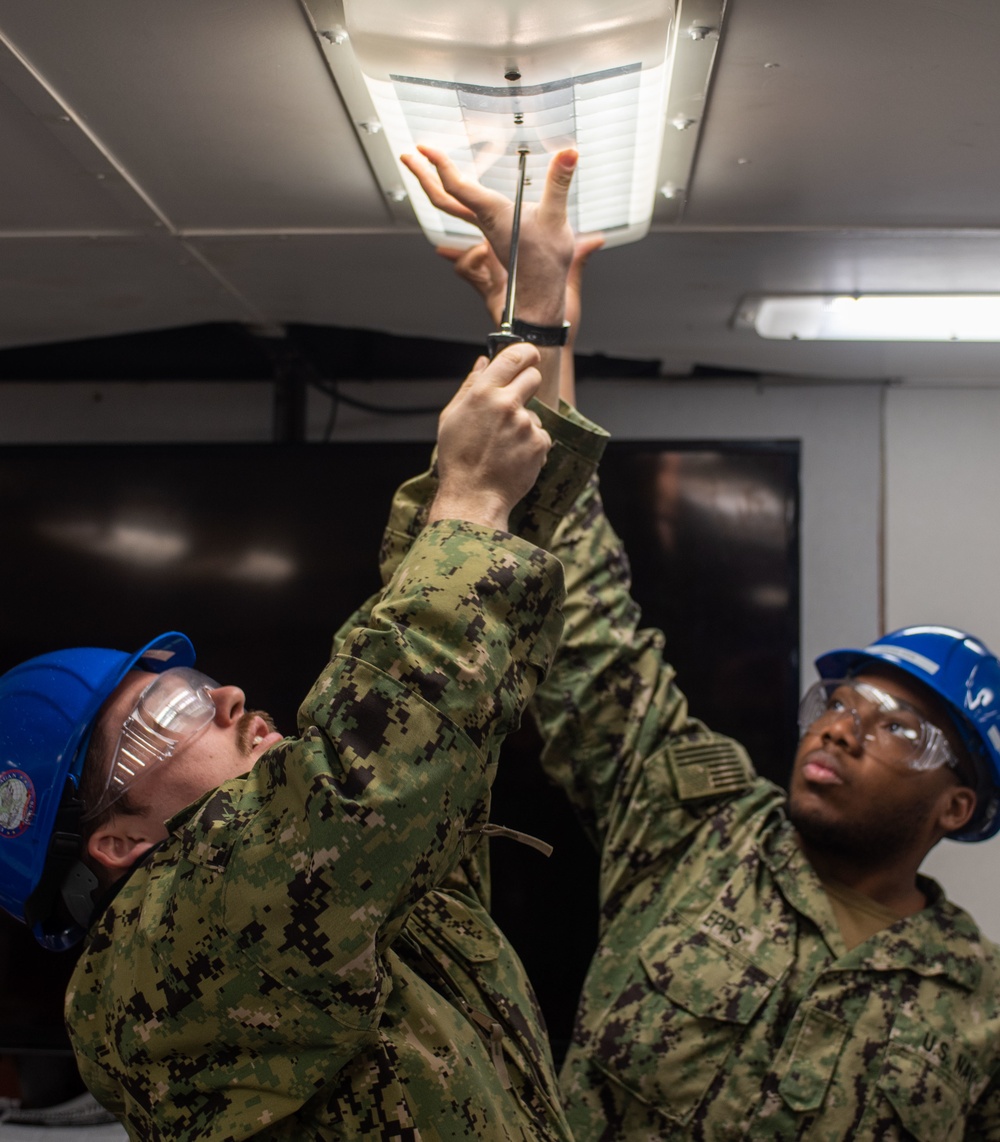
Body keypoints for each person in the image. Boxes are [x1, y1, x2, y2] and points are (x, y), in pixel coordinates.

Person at [0, 150, 610, 1141]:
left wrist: (532, 320)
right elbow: (368, 764)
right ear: (113, 840)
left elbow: (465, 637)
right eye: (170, 711)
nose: (230, 695)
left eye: (193, 680)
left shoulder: (347, 893)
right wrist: (462, 500)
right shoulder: (149, 968)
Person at [393, 157, 1000, 1140]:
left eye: (893, 725)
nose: (842, 728)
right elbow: (581, 604)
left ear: (955, 802)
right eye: (839, 702)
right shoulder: (696, 831)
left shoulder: (977, 1011)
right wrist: (539, 324)